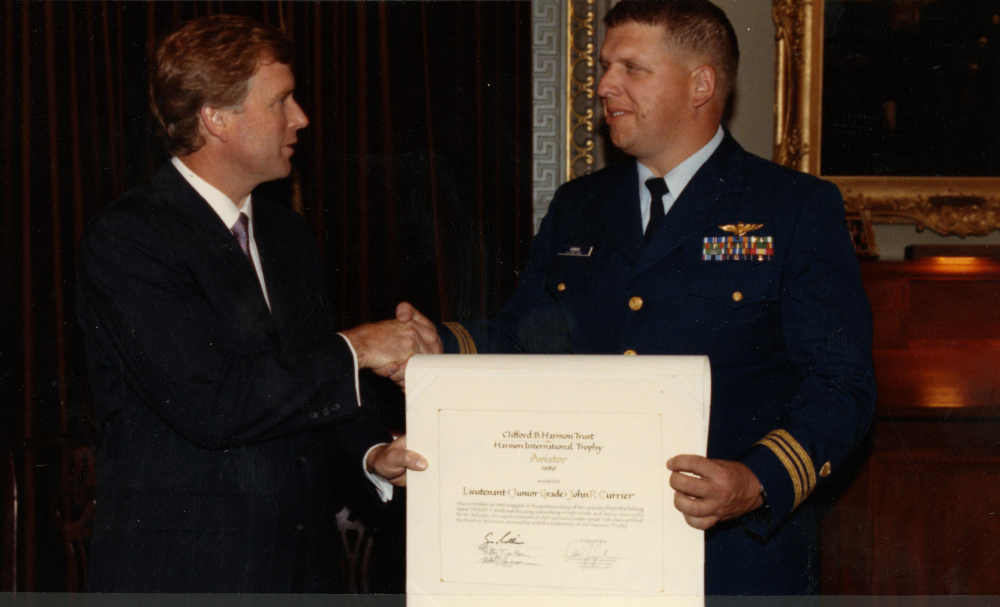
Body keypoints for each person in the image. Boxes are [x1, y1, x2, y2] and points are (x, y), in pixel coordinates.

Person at [433, 0, 876, 595]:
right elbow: (521, 341)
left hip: (731, 560)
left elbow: (841, 386)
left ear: (701, 84)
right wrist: (430, 344)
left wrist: (756, 479)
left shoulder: (793, 209)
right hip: (585, 553)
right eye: (604, 66)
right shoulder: (579, 206)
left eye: (631, 69)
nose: (605, 86)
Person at [76, 15, 435, 593]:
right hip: (185, 579)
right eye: (282, 101)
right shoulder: (130, 239)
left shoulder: (285, 235)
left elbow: (310, 383)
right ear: (216, 118)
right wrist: (360, 347)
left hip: (299, 574)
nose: (301, 119)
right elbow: (215, 403)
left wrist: (371, 453)